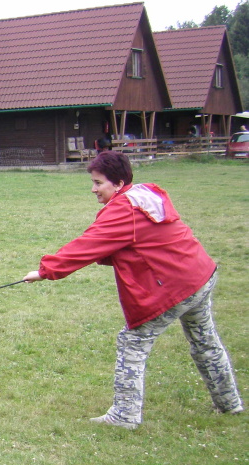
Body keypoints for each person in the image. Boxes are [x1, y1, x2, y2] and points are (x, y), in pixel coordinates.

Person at [22, 152, 243, 429]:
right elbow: (126, 245)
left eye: (98, 182)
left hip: (180, 285)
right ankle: (230, 403)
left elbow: (90, 244)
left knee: (133, 342)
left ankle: (124, 416)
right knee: (205, 341)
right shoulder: (143, 195)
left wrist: (45, 271)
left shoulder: (125, 209)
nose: (93, 189)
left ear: (118, 183)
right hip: (200, 274)